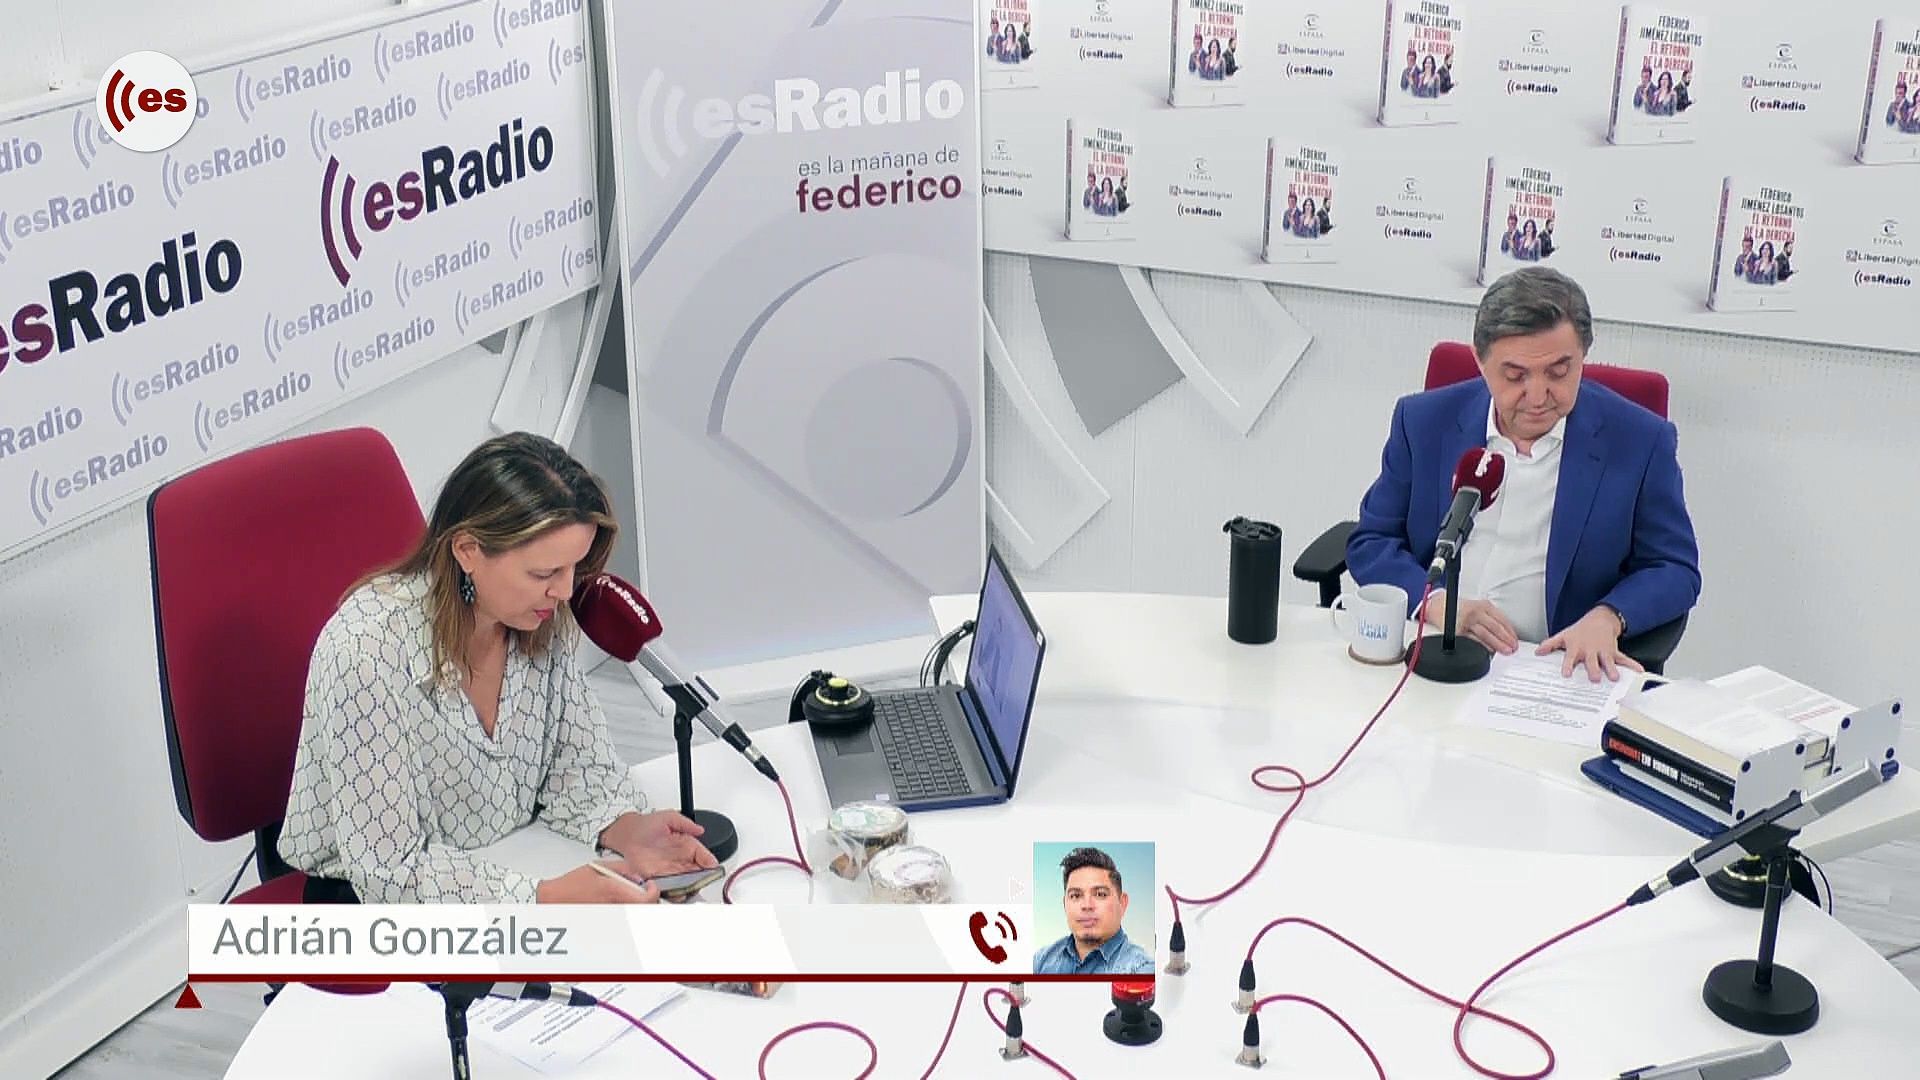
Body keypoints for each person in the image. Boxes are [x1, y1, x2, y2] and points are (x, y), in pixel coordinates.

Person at [279, 433, 720, 903]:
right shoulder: (364, 652)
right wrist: (545, 898)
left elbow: (575, 765)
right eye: (544, 573)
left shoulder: (540, 614)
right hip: (369, 906)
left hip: (515, 861)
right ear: (468, 550)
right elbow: (389, 870)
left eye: (573, 568)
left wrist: (625, 828)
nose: (565, 591)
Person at [1345, 268, 1701, 681]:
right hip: (1433, 648)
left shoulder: (1640, 440)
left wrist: (1609, 617)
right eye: (1515, 376)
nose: (1537, 397)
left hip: (1551, 666)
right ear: (1480, 362)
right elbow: (1373, 540)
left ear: (1583, 355)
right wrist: (1435, 602)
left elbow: (1675, 567)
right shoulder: (1423, 421)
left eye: (1559, 372)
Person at [1031, 848, 1154, 975]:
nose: (1087, 905)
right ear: (1064, 905)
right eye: (1075, 896)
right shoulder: (1040, 962)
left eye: (1100, 894)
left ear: (1122, 903)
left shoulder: (1142, 970)